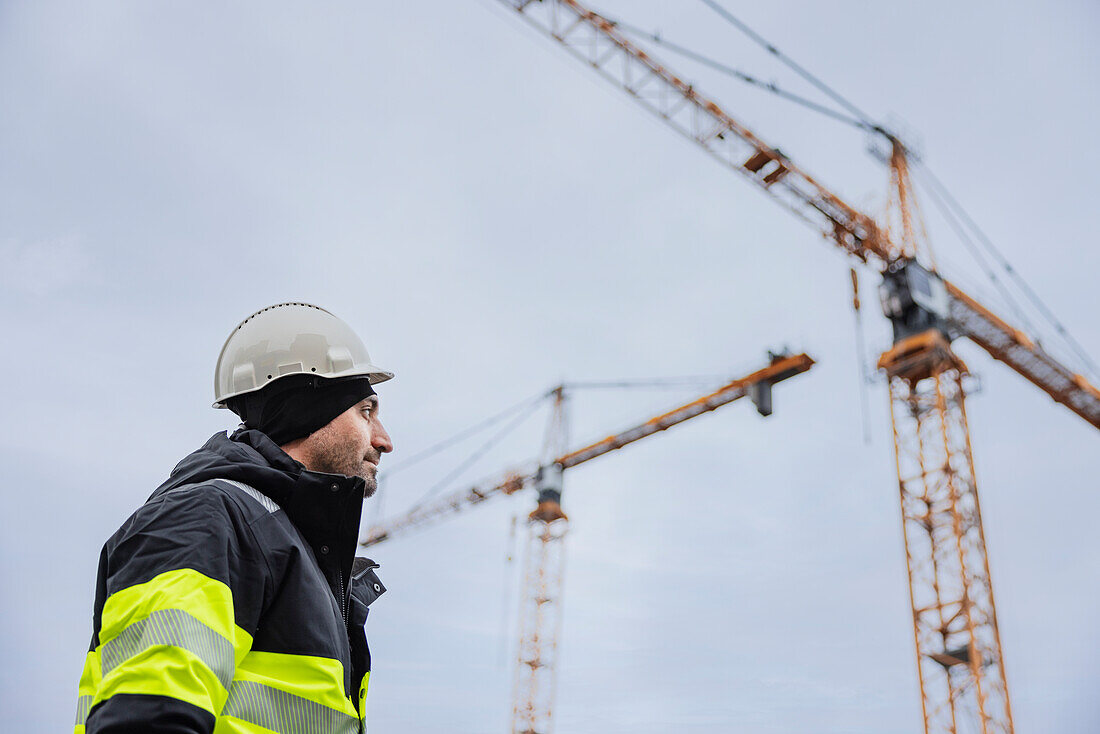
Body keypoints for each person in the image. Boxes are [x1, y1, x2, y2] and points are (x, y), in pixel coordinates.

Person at [73, 302, 394, 734]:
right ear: (308, 408)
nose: (384, 440)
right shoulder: (206, 518)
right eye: (366, 411)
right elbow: (147, 719)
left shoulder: (286, 546)